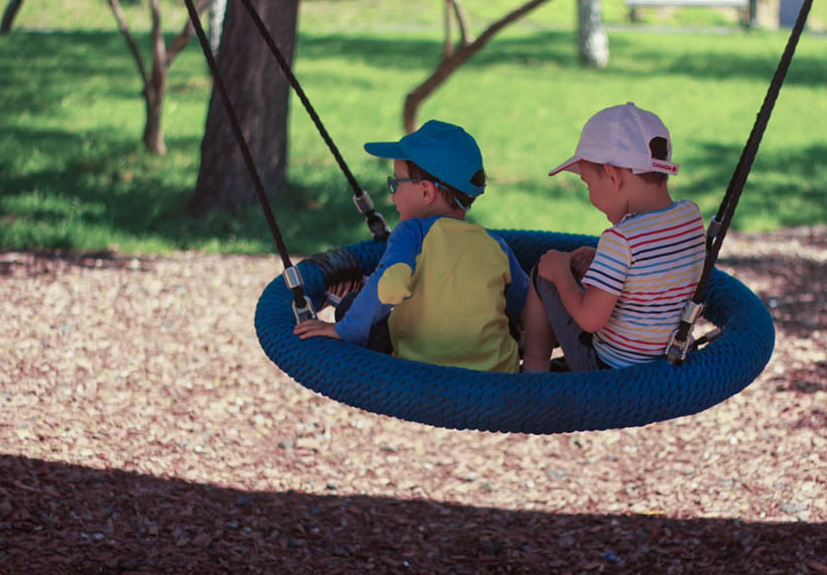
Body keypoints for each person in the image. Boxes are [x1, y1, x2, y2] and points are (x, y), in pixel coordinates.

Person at [294, 119, 529, 373]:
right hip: (494, 375)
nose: (392, 194)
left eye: (396, 183)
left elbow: (391, 284)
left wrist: (345, 330)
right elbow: (527, 307)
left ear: (426, 193)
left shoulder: (411, 232)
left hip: (421, 369)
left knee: (351, 304)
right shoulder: (496, 246)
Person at [521, 102, 706, 372]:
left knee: (544, 273)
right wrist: (603, 261)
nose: (590, 195)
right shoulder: (690, 216)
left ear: (611, 175)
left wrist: (561, 273)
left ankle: (532, 377)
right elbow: (658, 271)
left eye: (588, 184)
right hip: (664, 359)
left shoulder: (621, 239)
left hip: (609, 370)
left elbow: (590, 319)